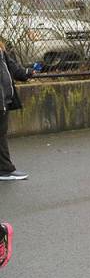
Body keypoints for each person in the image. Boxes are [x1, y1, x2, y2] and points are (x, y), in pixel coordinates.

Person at [0, 42, 34, 181]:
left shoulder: (1, 49)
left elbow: (12, 68)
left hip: (4, 101)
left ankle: (4, 169)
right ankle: (5, 170)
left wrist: (26, 73)